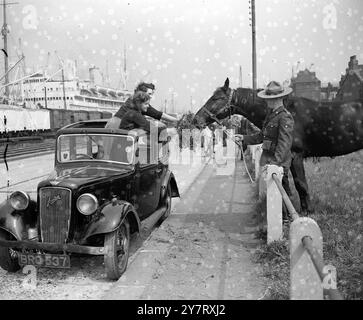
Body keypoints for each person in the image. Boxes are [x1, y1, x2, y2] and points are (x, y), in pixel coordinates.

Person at [235, 81, 295, 221]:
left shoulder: (284, 116)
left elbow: (284, 143)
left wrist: (275, 163)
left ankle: (287, 220)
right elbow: (261, 136)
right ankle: (282, 219)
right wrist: (244, 138)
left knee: (282, 189)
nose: (267, 102)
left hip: (278, 161)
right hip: (269, 159)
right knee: (276, 192)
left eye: (269, 100)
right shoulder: (271, 115)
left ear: (277, 99)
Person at [106, 82, 178, 130]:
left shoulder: (133, 100)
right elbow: (158, 114)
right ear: (141, 93)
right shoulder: (139, 103)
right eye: (149, 94)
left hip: (115, 123)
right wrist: (176, 121)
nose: (151, 96)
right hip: (116, 125)